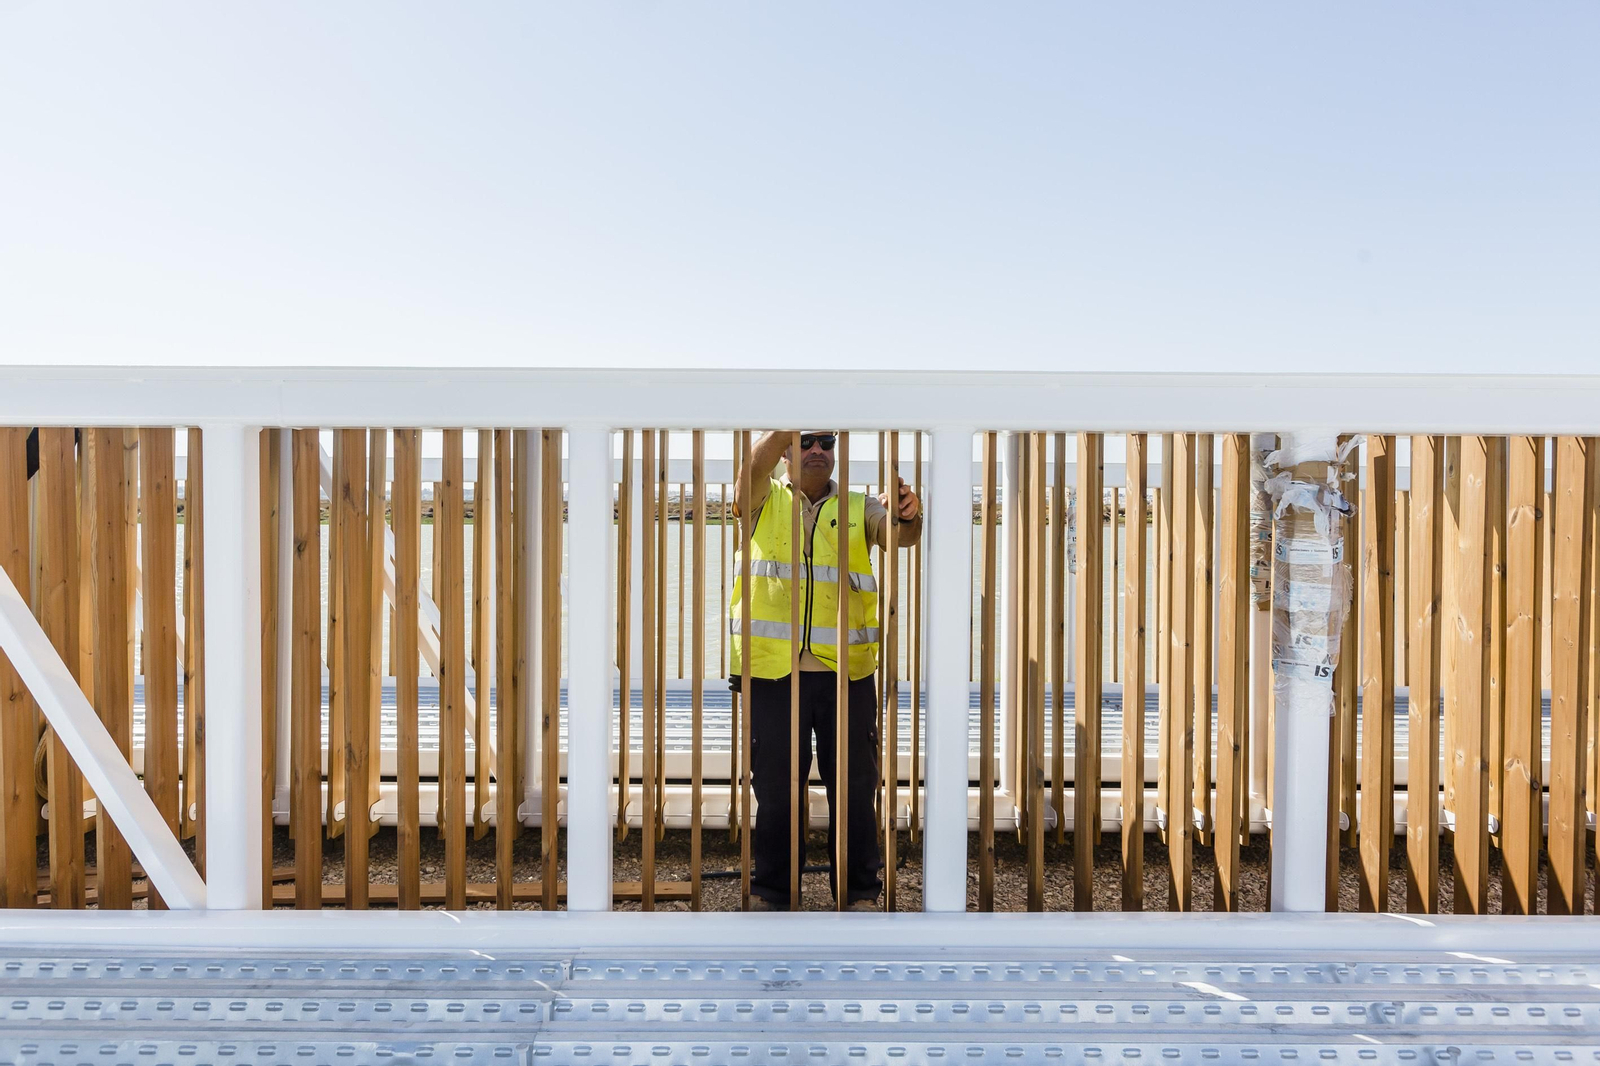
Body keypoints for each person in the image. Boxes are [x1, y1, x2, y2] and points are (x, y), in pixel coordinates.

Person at [730, 430, 922, 910]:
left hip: (847, 674)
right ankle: (774, 893)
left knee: (856, 790)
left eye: (827, 442)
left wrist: (909, 514)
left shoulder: (862, 507)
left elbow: (903, 538)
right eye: (806, 440)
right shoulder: (761, 499)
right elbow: (749, 475)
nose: (818, 450)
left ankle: (857, 893)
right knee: (775, 791)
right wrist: (784, 423)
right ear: (787, 451)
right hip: (773, 673)